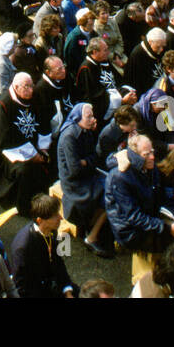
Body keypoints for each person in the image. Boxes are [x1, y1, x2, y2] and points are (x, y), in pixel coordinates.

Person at [0, 71, 53, 217]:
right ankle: (24, 207)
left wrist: (43, 148)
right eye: (26, 87)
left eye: (31, 86)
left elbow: (43, 122)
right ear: (16, 87)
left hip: (34, 145)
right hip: (10, 150)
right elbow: (5, 137)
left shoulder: (34, 97)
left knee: (51, 156)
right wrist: (32, 155)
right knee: (24, 170)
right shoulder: (3, 105)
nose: (30, 90)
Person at [56, 102, 112, 257]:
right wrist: (87, 162)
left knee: (114, 188)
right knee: (110, 195)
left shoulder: (86, 131)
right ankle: (91, 237)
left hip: (87, 175)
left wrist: (85, 161)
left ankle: (94, 225)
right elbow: (74, 170)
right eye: (88, 116)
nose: (92, 119)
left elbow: (95, 156)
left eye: (92, 116)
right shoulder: (69, 136)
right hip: (75, 182)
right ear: (78, 118)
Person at [9, 192, 75, 298]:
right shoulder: (23, 247)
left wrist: (67, 291)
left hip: (51, 282)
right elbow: (21, 287)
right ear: (40, 220)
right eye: (55, 216)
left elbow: (57, 261)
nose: (61, 218)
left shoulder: (52, 230)